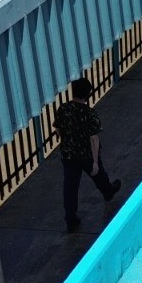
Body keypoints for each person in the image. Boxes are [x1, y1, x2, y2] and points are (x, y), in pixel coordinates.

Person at [57, 78, 122, 232]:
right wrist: (94, 161)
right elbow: (94, 139)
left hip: (68, 155)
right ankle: (108, 192)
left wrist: (67, 140)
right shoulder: (89, 113)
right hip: (86, 154)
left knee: (70, 187)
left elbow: (58, 129)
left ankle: (70, 219)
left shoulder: (63, 109)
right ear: (87, 95)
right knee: (99, 175)